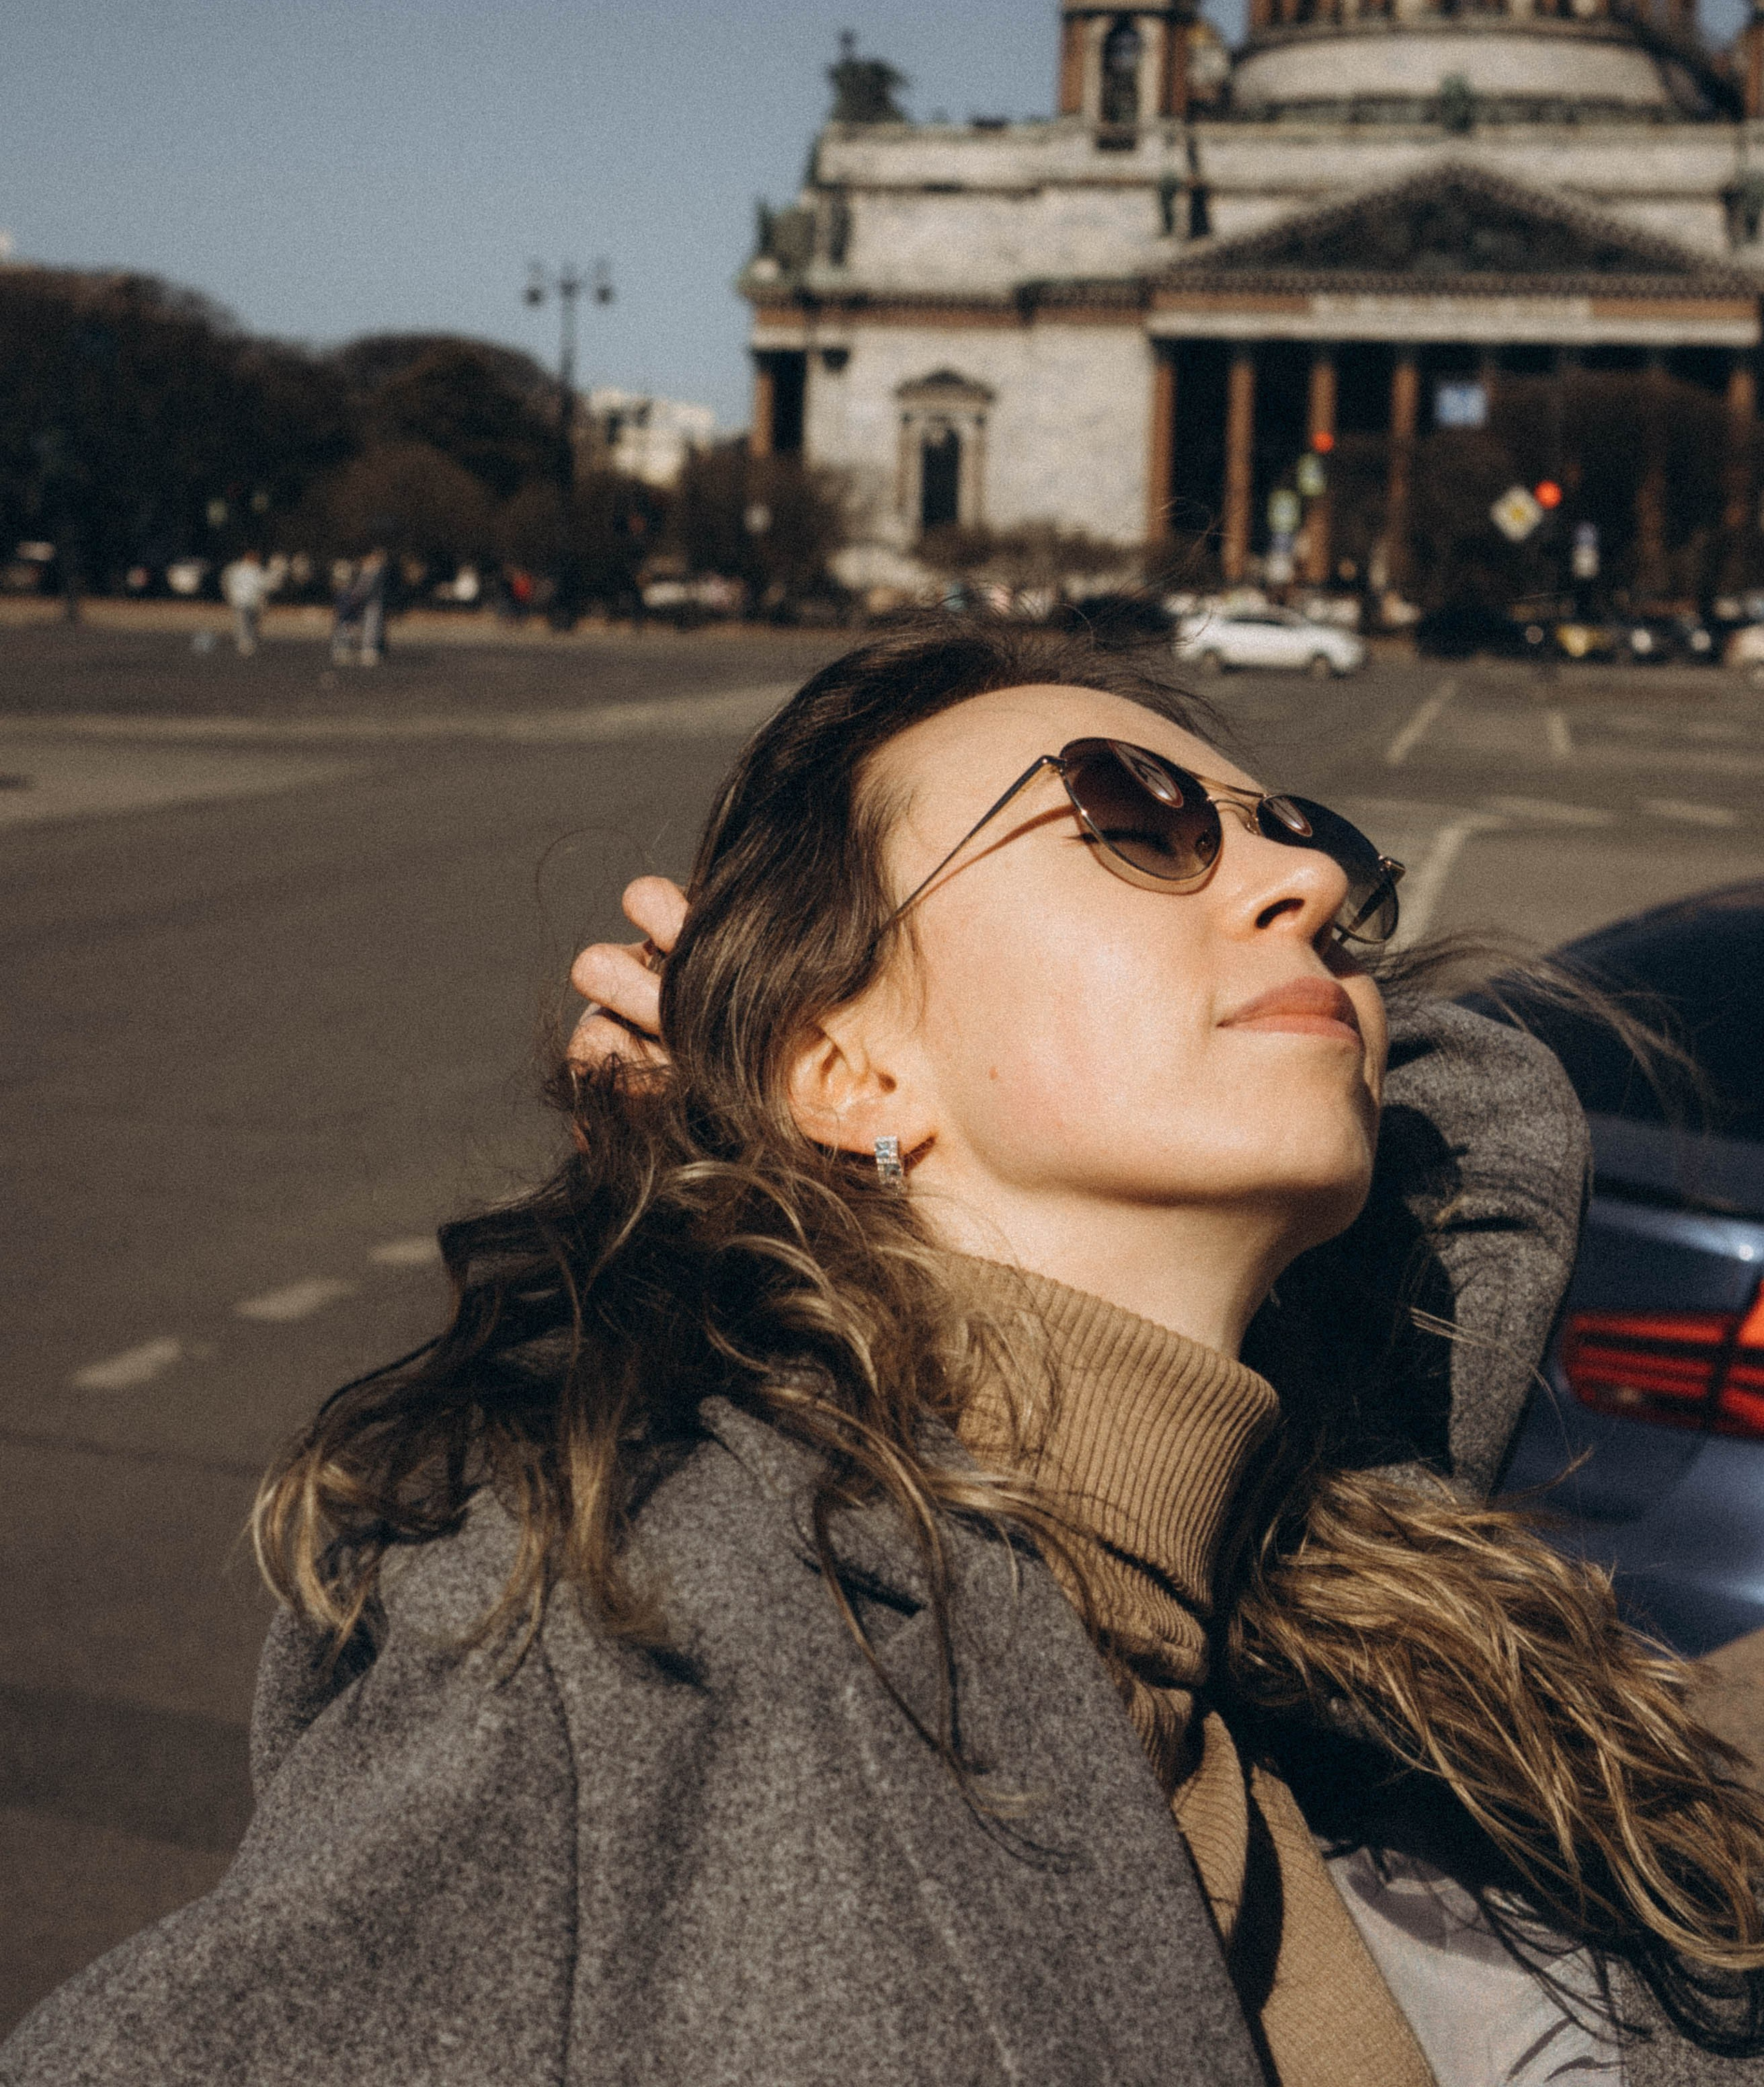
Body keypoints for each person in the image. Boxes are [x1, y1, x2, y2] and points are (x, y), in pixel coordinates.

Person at [7, 620, 1763, 2086]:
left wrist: (791, 1060)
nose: (1306, 875)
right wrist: (755, 1068)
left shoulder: (1361, 1612)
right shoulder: (640, 1649)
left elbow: (1484, 1127)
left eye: (1300, 835)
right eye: (1132, 817)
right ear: (846, 1070)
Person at [219, 548, 273, 657]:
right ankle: (247, 643)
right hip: (251, 600)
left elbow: (226, 581)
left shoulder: (235, 569)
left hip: (239, 600)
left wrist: (229, 596)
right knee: (249, 623)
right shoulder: (256, 570)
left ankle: (245, 643)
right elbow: (263, 586)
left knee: (244, 623)